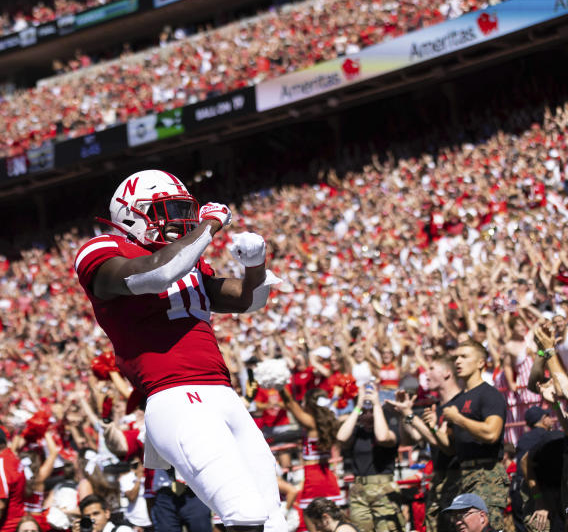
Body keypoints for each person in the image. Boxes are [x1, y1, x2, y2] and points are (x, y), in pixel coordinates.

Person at [73, 170, 286, 532]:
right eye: (164, 209)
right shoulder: (104, 251)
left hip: (223, 395)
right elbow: (157, 273)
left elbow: (250, 300)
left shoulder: (189, 261)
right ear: (129, 215)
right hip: (175, 396)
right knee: (244, 511)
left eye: (181, 208)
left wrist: (255, 265)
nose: (175, 219)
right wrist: (208, 227)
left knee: (274, 520)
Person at [386, 355, 462, 532]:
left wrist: (410, 415)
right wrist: (402, 414)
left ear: (447, 373)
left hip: (457, 479)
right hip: (439, 479)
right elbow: (410, 439)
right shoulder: (435, 406)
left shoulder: (461, 403)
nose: (425, 375)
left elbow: (439, 441)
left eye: (432, 369)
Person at [441, 342, 507, 530]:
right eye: (456, 358)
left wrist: (459, 419)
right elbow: (449, 447)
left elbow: (491, 433)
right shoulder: (457, 400)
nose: (458, 361)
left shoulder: (490, 394)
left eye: (464, 356)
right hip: (463, 474)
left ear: (480, 363)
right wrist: (427, 428)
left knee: (486, 527)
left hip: (487, 474)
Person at [336, 385, 402, 532]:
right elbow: (341, 437)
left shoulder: (390, 429)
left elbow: (382, 437)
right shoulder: (356, 432)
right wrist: (358, 406)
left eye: (370, 411)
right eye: (364, 412)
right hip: (359, 491)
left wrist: (377, 405)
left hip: (383, 489)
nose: (367, 415)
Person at [277, 387, 343, 525]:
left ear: (310, 404)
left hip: (313, 476)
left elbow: (290, 403)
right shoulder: (329, 421)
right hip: (327, 474)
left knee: (310, 518)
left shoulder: (311, 423)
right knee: (331, 522)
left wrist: (280, 386)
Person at [511, 406, 563, 532]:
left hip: (517, 490)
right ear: (543, 420)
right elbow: (525, 461)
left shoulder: (523, 438)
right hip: (536, 493)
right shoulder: (549, 437)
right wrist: (540, 499)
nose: (552, 420)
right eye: (548, 417)